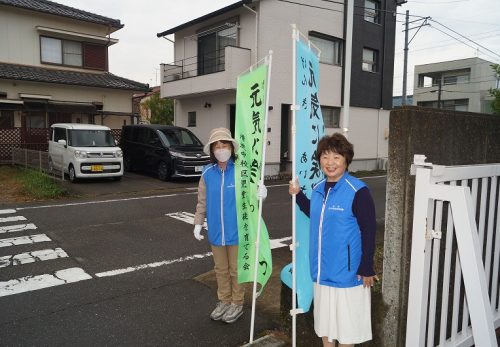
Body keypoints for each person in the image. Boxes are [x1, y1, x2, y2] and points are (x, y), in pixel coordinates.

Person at [289, 133, 378, 347]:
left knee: (347, 330)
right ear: (319, 159)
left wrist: (366, 267)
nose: (330, 163)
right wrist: (298, 195)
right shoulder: (319, 188)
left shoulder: (358, 190)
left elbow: (369, 229)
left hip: (348, 275)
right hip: (322, 272)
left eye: (336, 157)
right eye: (325, 156)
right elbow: (315, 212)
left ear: (346, 160)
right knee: (326, 328)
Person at [193, 127, 268, 324]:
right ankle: (224, 300)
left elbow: (252, 199)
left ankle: (237, 303)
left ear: (231, 148)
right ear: (212, 151)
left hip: (238, 231)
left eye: (223, 145)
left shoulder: (242, 172)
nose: (220, 149)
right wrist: (198, 223)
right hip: (216, 231)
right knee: (221, 269)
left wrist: (260, 193)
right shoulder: (207, 172)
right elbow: (202, 200)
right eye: (216, 146)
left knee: (236, 270)